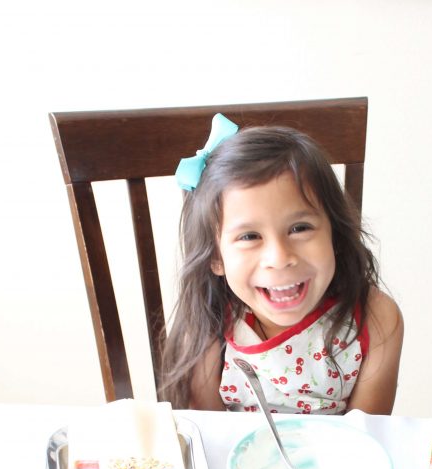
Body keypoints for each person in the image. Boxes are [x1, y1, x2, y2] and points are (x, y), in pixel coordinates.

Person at [160, 114, 403, 414]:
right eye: (250, 236)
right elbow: (208, 440)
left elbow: (366, 441)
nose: (279, 257)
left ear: (336, 236)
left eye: (300, 228)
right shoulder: (207, 325)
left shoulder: (375, 320)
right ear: (216, 257)